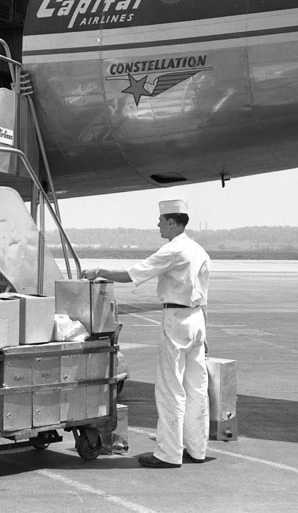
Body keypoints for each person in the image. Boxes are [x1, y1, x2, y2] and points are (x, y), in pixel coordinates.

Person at [82, 199, 210, 468]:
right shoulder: (198, 250)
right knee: (196, 388)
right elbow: (204, 293)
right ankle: (197, 449)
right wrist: (204, 333)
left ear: (172, 222)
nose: (158, 225)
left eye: (161, 221)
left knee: (170, 389)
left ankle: (168, 454)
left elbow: (133, 274)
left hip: (177, 319)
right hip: (197, 320)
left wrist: (99, 271)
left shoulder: (173, 251)